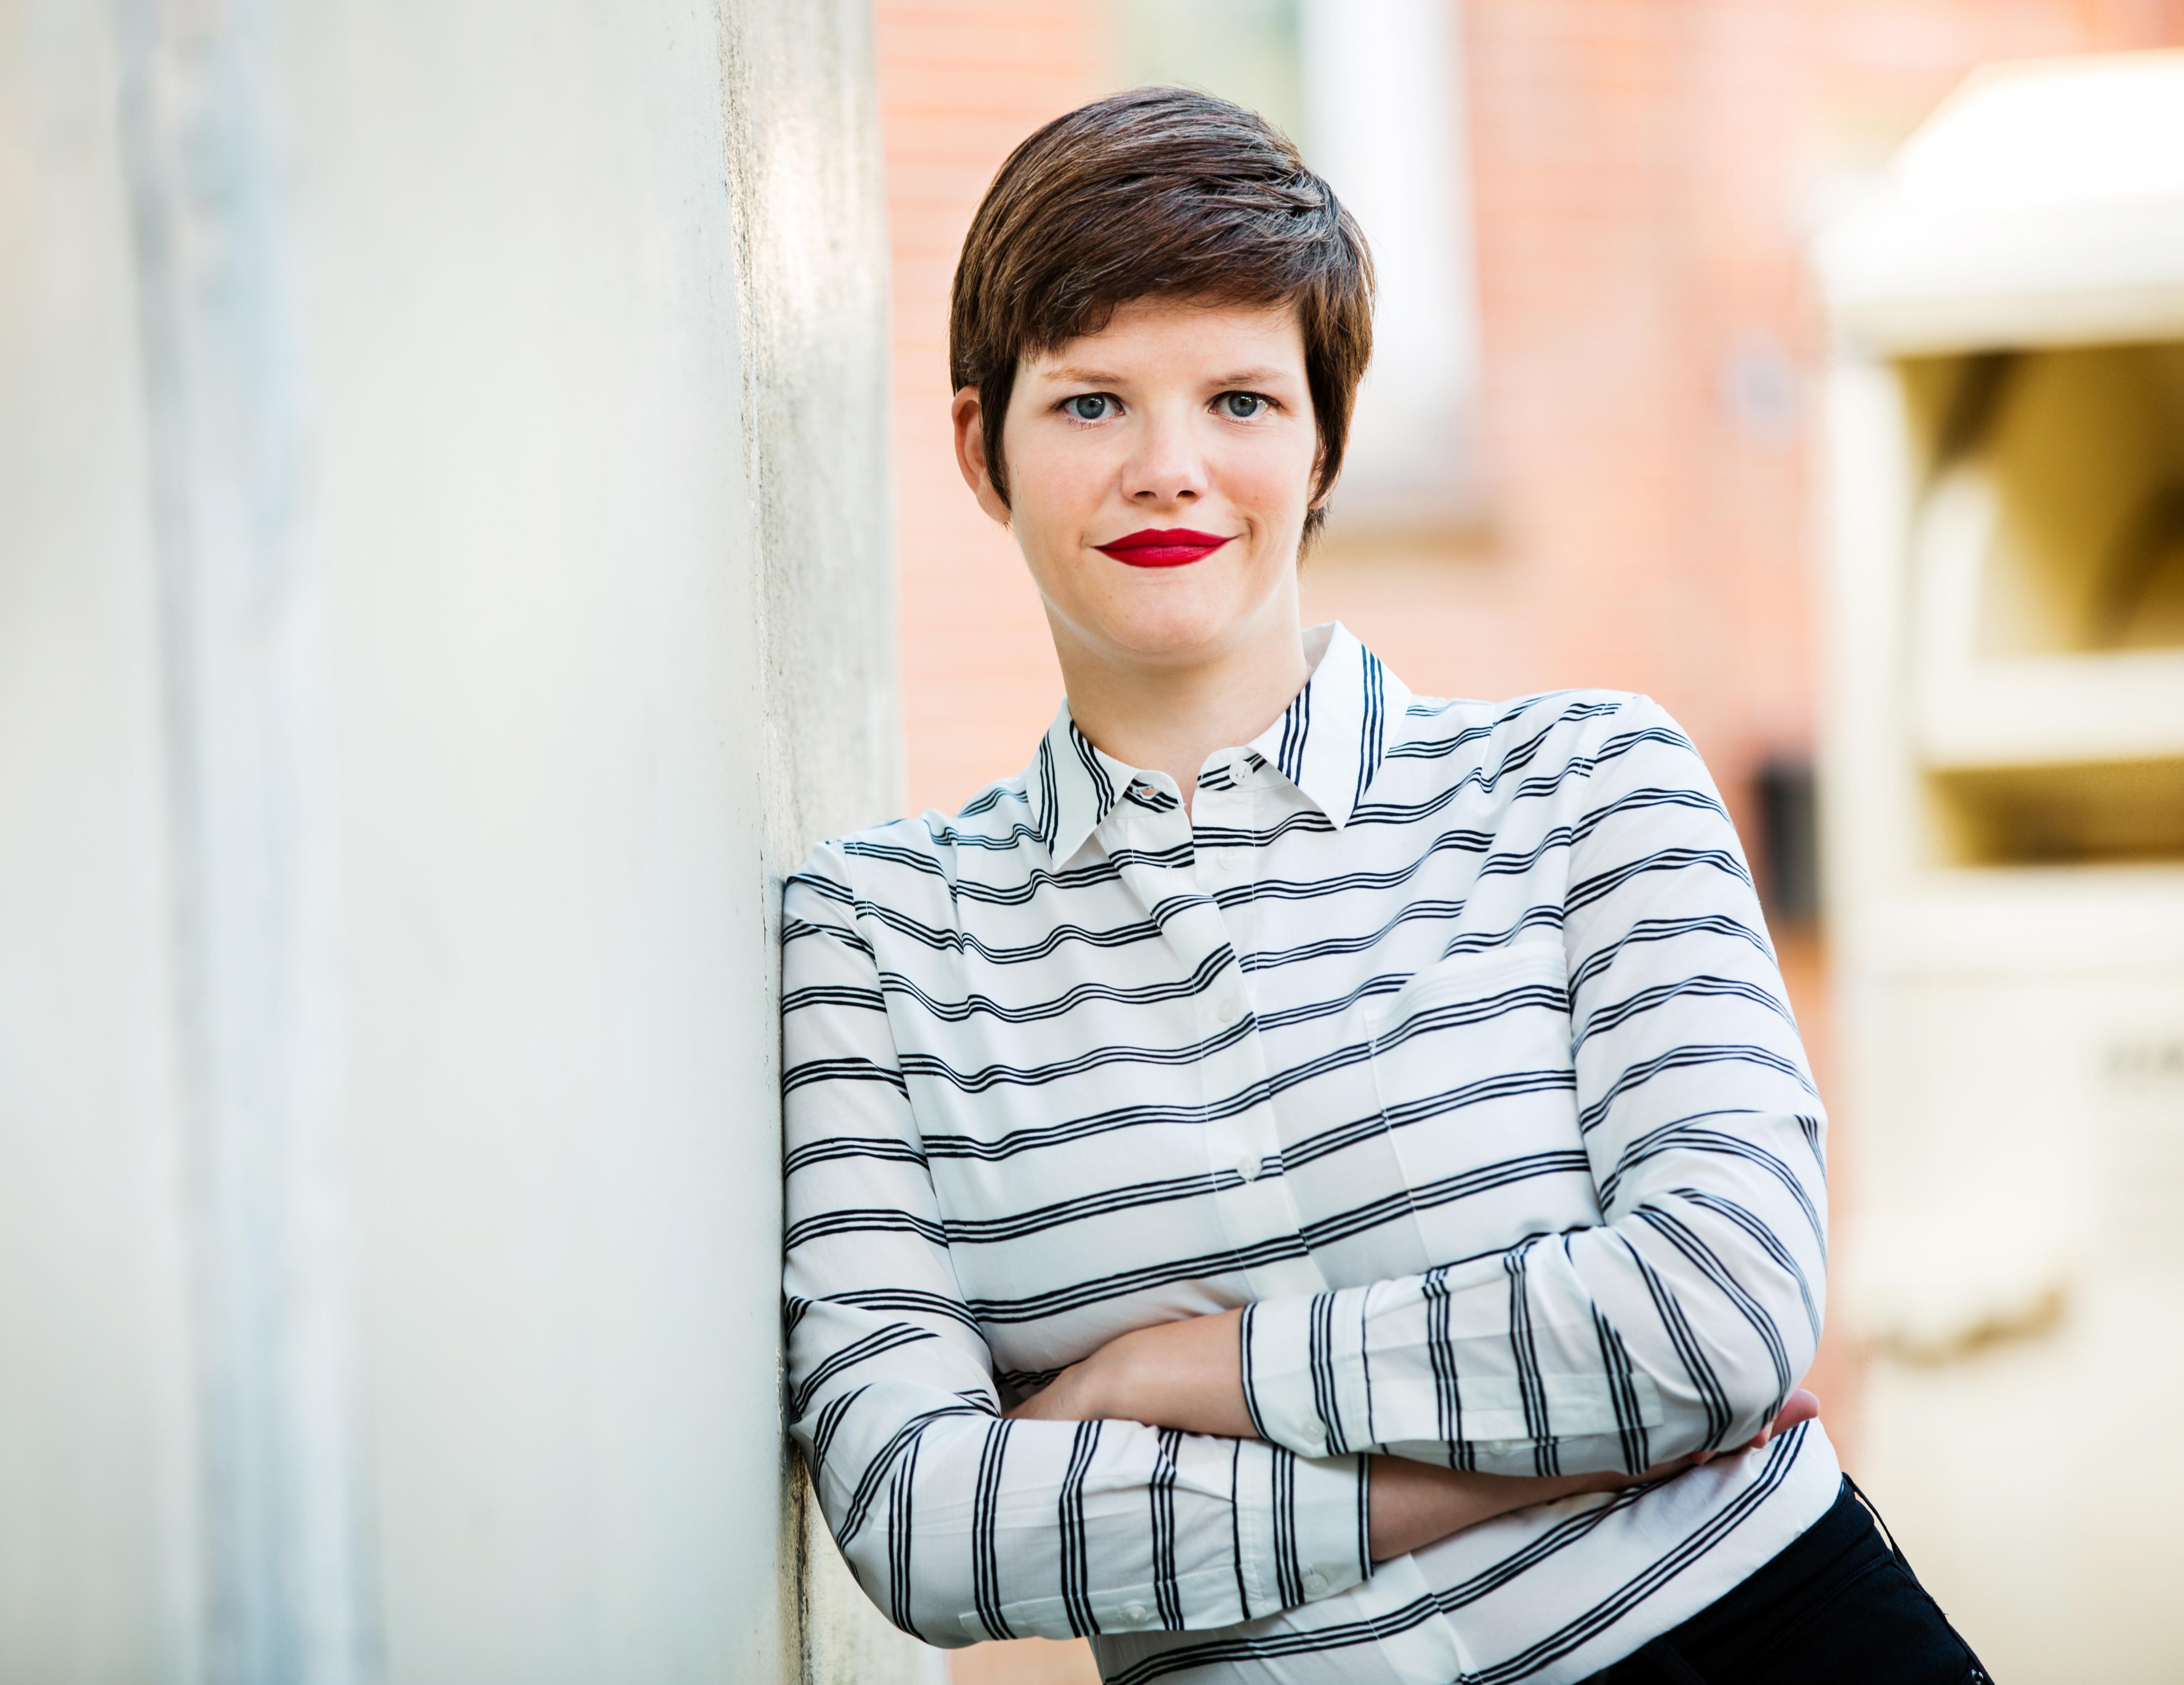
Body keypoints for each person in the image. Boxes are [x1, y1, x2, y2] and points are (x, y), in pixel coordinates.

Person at [781, 88, 1984, 1684]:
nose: (1168, 469)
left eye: (1239, 399)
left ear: (1327, 436)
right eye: (1089, 405)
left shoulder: (1587, 787)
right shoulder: (874, 940)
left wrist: (1174, 1367)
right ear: (978, 444)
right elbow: (927, 1521)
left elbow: (1716, 1317)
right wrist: (1515, 1459)